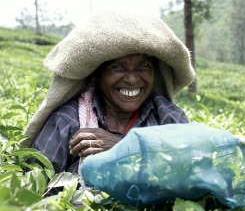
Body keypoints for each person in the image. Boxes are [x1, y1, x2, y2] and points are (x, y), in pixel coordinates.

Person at [23, 10, 195, 175]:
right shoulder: (67, 122)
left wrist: (125, 149)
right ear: (95, 77)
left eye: (143, 65)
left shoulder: (167, 118)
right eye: (117, 67)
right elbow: (33, 190)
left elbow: (192, 171)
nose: (133, 79)